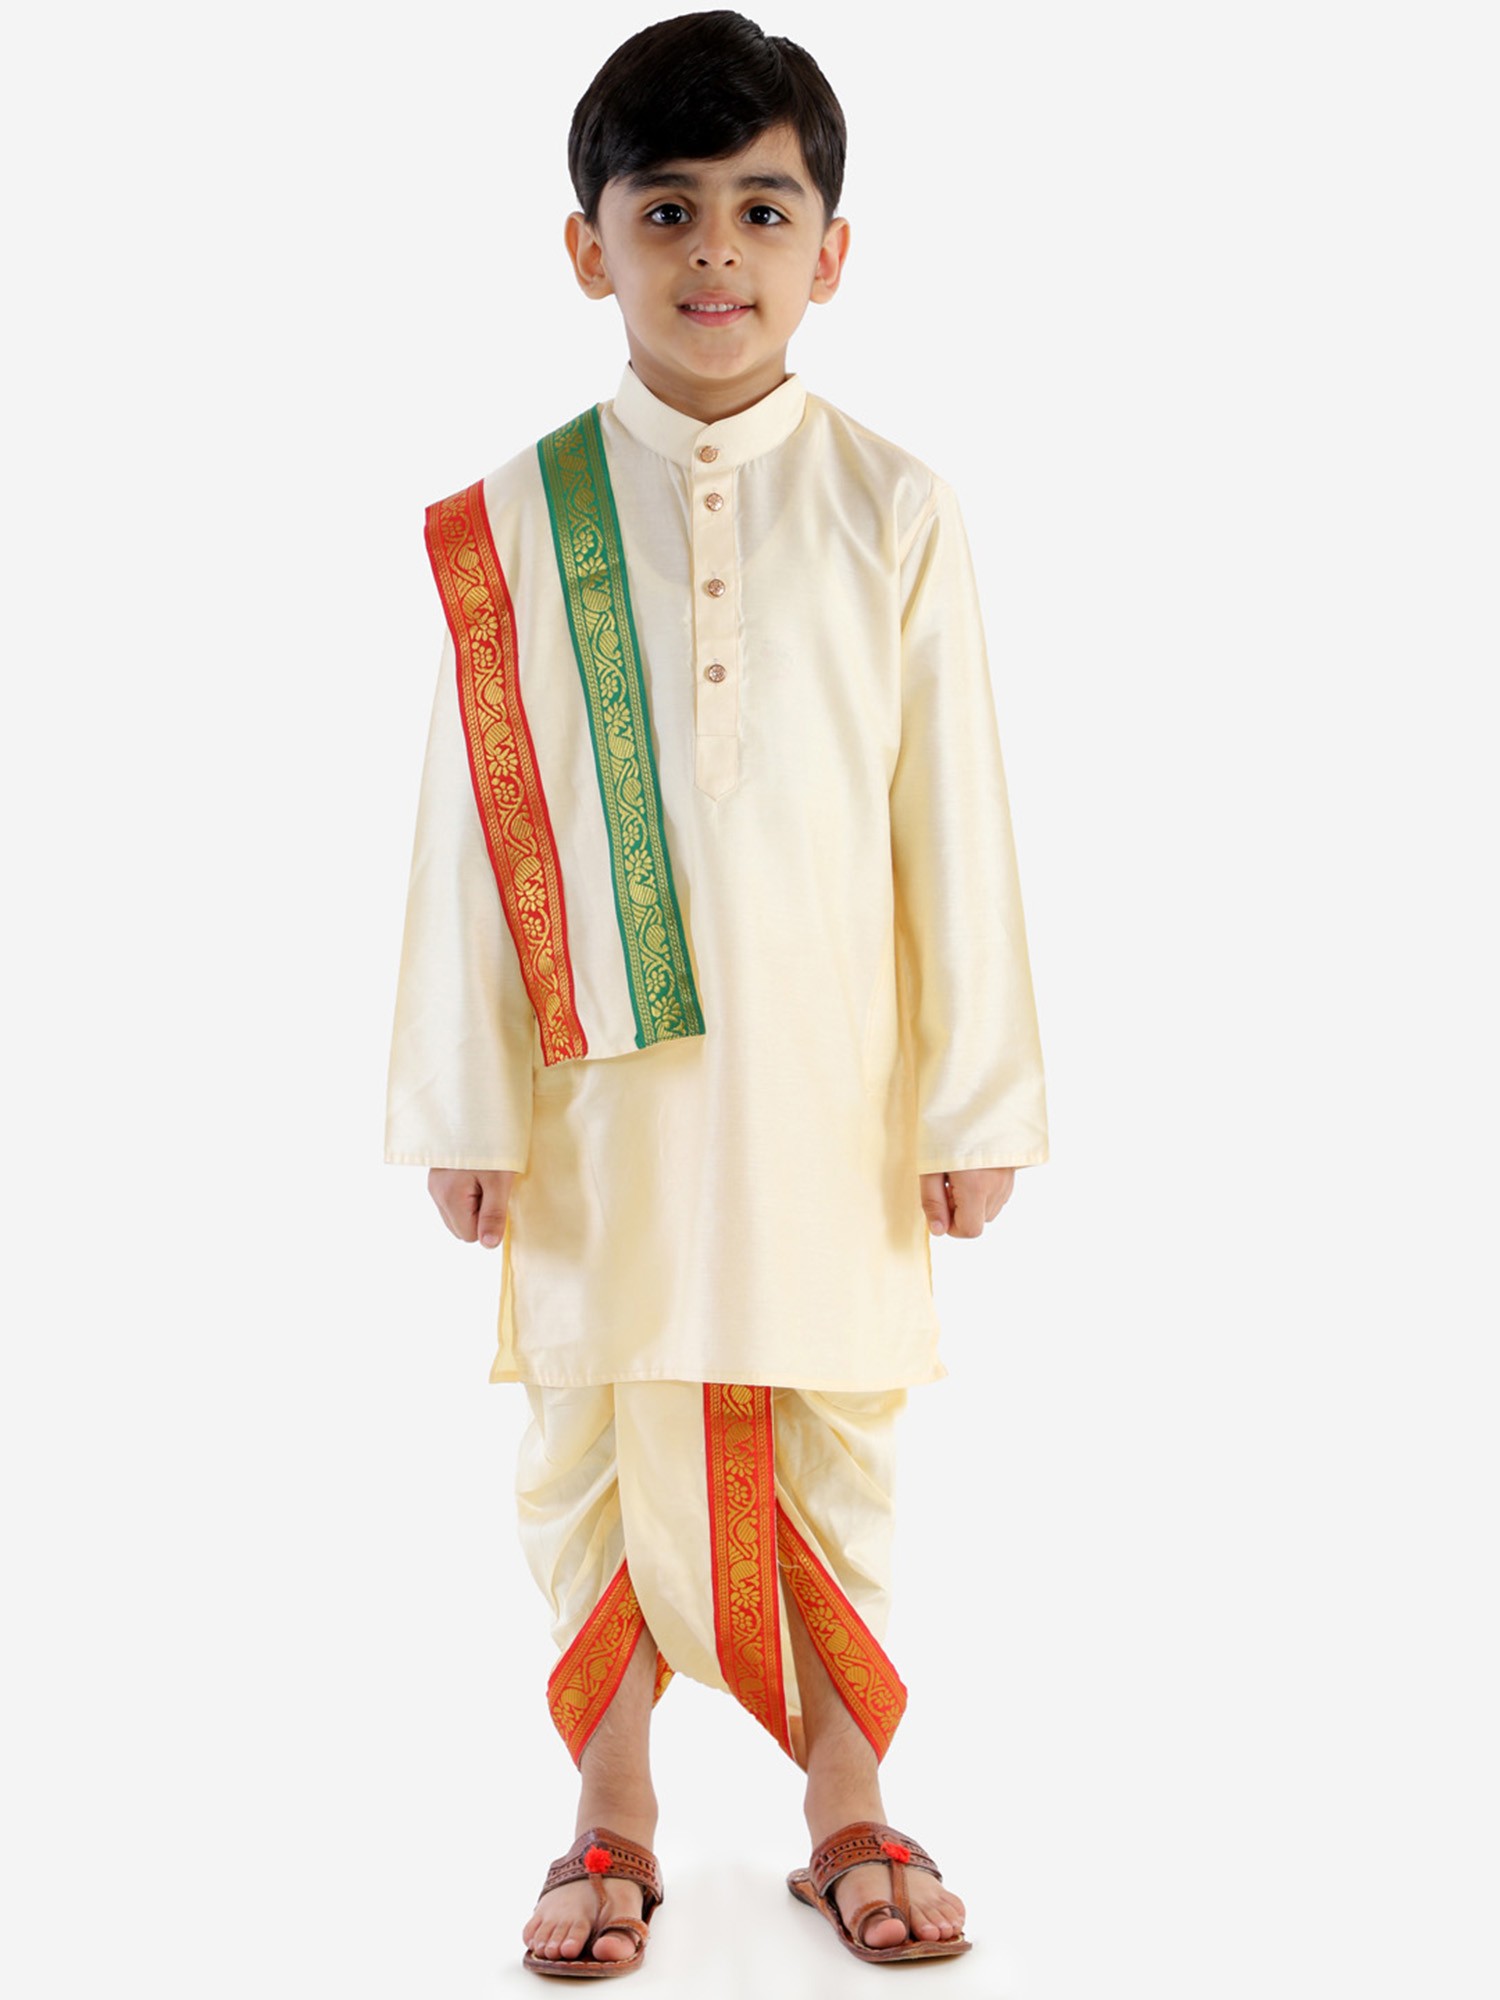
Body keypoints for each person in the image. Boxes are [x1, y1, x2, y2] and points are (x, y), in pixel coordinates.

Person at [384, 9, 1048, 1977]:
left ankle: (850, 1798)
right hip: (595, 1091)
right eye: (665, 209)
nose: (715, 252)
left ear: (831, 251)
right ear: (584, 245)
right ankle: (612, 1808)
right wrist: (464, 1103)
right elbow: (468, 830)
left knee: (836, 1417)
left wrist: (976, 1099)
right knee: (588, 1426)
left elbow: (958, 822)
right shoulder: (521, 518)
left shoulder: (895, 504)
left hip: (838, 1083)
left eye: (763, 209)